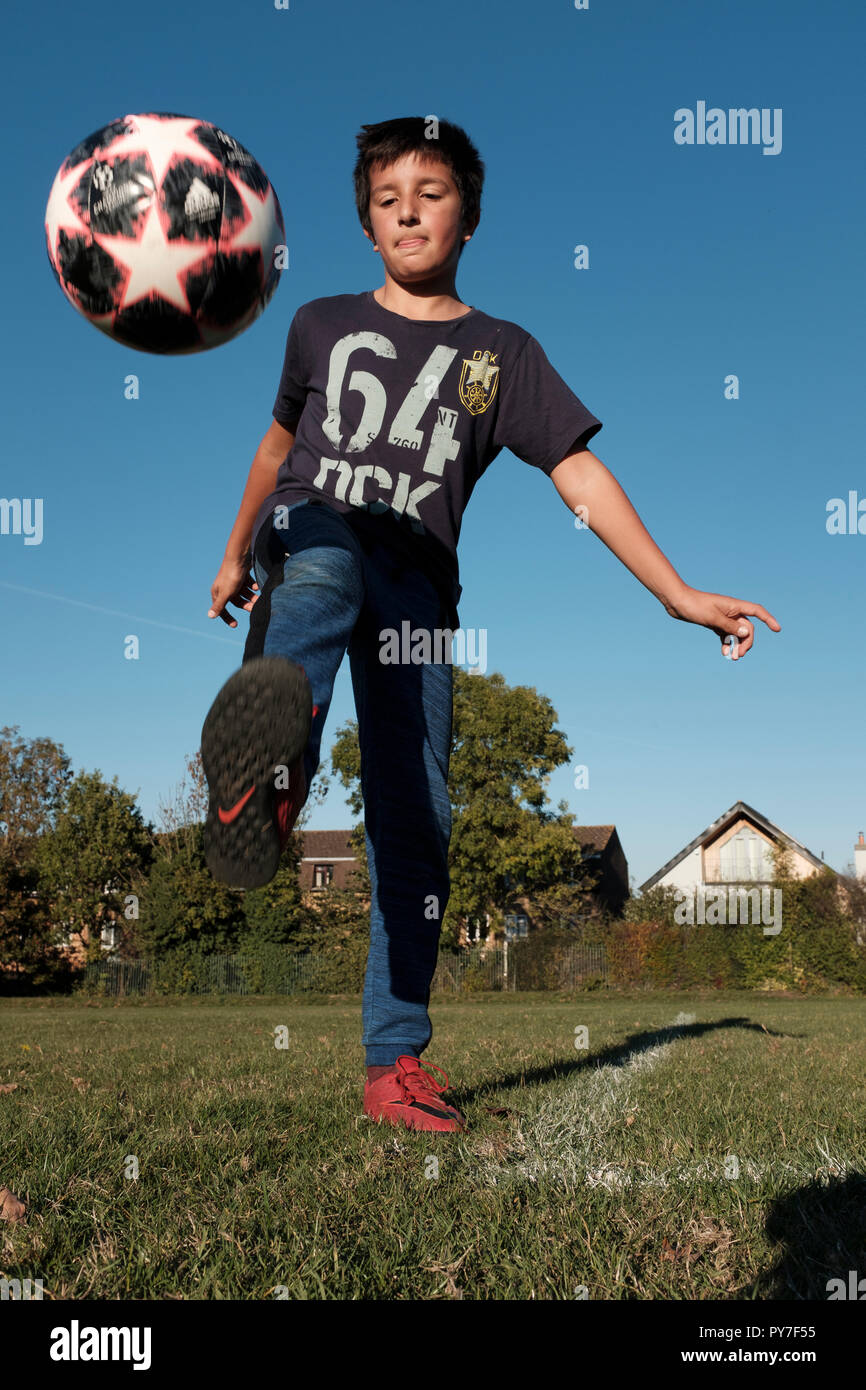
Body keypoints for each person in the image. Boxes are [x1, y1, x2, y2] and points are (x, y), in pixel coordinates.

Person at [200, 116, 780, 1134]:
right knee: (324, 574)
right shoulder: (319, 323)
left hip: (419, 589)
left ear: (467, 215)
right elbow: (272, 446)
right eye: (386, 199)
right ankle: (266, 771)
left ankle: (395, 1064)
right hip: (315, 527)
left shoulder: (500, 353)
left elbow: (578, 473)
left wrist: (673, 591)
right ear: (366, 226)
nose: (407, 210)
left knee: (415, 815)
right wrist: (234, 549)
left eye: (429, 192)